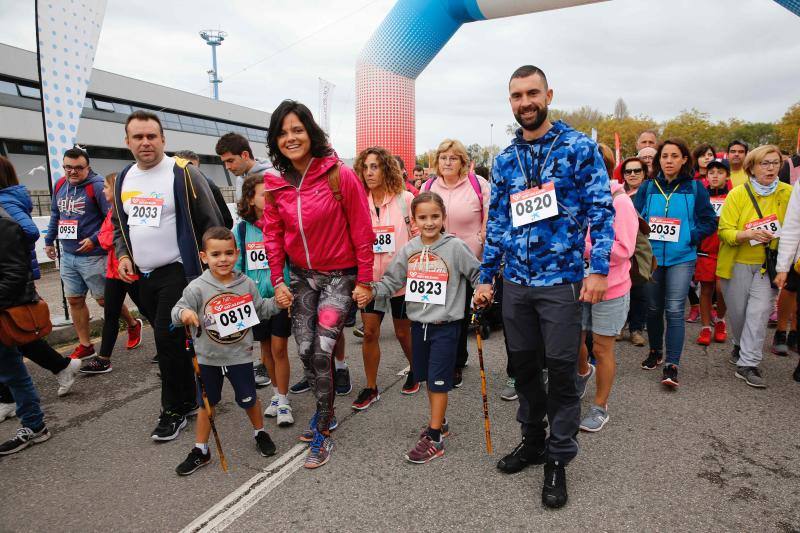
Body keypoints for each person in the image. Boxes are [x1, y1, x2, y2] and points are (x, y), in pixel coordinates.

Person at [474, 65, 615, 509]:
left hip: (562, 283)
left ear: (548, 94)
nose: (525, 102)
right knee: (524, 370)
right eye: (516, 96)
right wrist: (485, 278)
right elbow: (497, 221)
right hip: (516, 284)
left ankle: (558, 457)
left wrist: (597, 268)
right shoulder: (504, 159)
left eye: (532, 93)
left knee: (560, 372)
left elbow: (602, 211)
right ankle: (533, 441)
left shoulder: (578, 148)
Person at [263, 100, 373, 469]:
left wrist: (366, 280)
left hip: (340, 276)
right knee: (306, 351)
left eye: (297, 129)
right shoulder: (274, 182)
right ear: (275, 140)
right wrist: (278, 280)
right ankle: (324, 412)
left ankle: (323, 427)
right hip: (300, 278)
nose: (291, 138)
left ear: (311, 132)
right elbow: (273, 234)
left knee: (324, 351)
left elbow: (362, 230)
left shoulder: (337, 174)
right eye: (282, 132)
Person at [113, 110, 224, 441]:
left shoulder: (182, 173)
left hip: (178, 271)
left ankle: (172, 411)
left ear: (163, 139)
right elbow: (122, 223)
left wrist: (210, 268)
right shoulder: (123, 177)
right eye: (138, 137)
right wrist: (122, 254)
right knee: (173, 340)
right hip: (142, 277)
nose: (145, 142)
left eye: (151, 136)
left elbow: (212, 220)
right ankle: (190, 398)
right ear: (127, 142)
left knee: (165, 338)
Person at [356, 192, 480, 462]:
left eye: (435, 216)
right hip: (419, 326)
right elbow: (391, 282)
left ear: (444, 218)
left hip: (446, 326)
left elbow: (476, 272)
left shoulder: (455, 247)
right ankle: (440, 422)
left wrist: (483, 288)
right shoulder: (409, 249)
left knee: (438, 382)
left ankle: (435, 436)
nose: (429, 222)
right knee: (427, 379)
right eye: (423, 217)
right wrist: (371, 291)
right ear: (414, 220)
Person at [172, 227, 286, 475]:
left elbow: (261, 309)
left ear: (236, 254)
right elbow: (176, 311)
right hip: (207, 359)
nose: (222, 259)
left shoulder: (245, 283)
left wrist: (278, 302)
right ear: (204, 257)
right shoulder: (197, 288)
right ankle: (200, 449)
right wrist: (185, 313)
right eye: (215, 254)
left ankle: (260, 433)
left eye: (227, 253)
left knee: (249, 399)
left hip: (239, 357)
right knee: (206, 404)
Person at [633, 138, 717, 386]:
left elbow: (709, 221)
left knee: (674, 309)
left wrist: (690, 236)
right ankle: (656, 351)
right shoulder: (648, 188)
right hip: (653, 258)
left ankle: (672, 363)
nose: (668, 161)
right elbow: (635, 218)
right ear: (659, 160)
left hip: (682, 258)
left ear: (683, 160)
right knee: (653, 308)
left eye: (674, 156)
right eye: (664, 156)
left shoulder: (695, 188)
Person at [0, 157, 82, 397]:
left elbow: (29, 230)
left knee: (16, 332)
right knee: (15, 334)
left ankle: (13, 398)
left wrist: (11, 252)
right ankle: (61, 367)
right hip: (13, 273)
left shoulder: (5, 201)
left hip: (11, 276)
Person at [718, 145, 791, 388]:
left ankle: (748, 363)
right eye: (764, 163)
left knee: (758, 314)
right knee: (738, 314)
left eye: (774, 163)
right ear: (752, 167)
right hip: (736, 263)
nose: (770, 168)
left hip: (768, 265)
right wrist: (745, 234)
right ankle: (740, 346)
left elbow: (793, 230)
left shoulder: (789, 193)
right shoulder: (737, 194)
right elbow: (724, 231)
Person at [351, 147, 417, 411]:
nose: (369, 172)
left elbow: (419, 236)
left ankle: (415, 369)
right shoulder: (357, 202)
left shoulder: (406, 199)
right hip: (369, 280)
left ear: (386, 169)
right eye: (365, 167)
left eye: (375, 166)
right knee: (369, 332)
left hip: (400, 279)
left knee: (403, 332)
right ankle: (371, 387)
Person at [576, 158, 638, 432]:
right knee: (573, 341)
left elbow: (624, 249)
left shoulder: (620, 201)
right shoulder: (572, 196)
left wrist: (581, 246)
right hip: (575, 285)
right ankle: (582, 373)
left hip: (610, 288)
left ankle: (600, 406)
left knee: (602, 348)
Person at [423, 139, 490, 387]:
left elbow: (490, 214)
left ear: (462, 162)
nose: (447, 162)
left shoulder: (477, 184)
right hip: (438, 260)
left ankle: (457, 362)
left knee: (460, 313)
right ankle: (441, 357)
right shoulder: (429, 186)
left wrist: (483, 236)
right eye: (443, 158)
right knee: (440, 311)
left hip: (469, 259)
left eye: (453, 158)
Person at [235, 175, 293, 426]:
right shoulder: (242, 229)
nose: (268, 199)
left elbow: (292, 260)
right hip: (255, 300)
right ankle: (275, 395)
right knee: (265, 350)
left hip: (280, 297)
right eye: (262, 194)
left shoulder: (282, 224)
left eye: (272, 194)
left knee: (280, 349)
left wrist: (290, 290)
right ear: (250, 199)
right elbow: (238, 264)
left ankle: (283, 399)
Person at [44, 146, 110, 359]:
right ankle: (86, 345)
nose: (72, 172)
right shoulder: (60, 184)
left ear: (87, 167)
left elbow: (111, 219)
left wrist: (93, 239)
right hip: (68, 254)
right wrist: (49, 240)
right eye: (68, 167)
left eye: (78, 168)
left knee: (104, 300)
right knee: (74, 300)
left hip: (94, 255)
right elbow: (56, 213)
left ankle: (130, 323)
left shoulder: (97, 186)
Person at [80, 173, 145, 374]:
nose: (103, 190)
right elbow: (105, 237)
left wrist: (102, 238)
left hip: (131, 270)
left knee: (148, 310)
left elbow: (108, 240)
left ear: (117, 189)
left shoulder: (127, 211)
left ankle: (169, 349)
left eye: (107, 187)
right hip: (114, 271)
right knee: (110, 314)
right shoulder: (111, 212)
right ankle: (103, 359)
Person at [0, 207, 52, 455]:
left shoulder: (4, 224)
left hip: (5, 312)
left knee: (12, 371)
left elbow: (15, 274)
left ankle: (34, 425)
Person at [694, 159, 730, 346]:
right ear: (706, 176)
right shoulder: (701, 197)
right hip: (705, 250)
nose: (715, 175)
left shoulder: (733, 196)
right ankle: (706, 327)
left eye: (720, 172)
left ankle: (721, 321)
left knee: (721, 289)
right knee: (706, 290)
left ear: (727, 176)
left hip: (726, 250)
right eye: (711, 172)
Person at [620, 156, 648, 347]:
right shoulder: (617, 194)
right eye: (628, 171)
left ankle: (636, 329)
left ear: (644, 173)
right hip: (622, 246)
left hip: (641, 247)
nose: (632, 174)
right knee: (622, 289)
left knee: (640, 289)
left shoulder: (650, 191)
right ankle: (620, 326)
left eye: (637, 170)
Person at [174, 150, 233, 229]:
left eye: (194, 170)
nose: (191, 173)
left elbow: (226, 221)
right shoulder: (167, 186)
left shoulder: (210, 187)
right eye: (187, 169)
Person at [215, 133, 272, 201]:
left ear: (245, 155)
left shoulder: (272, 176)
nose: (227, 167)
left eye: (230, 160)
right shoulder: (239, 179)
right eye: (224, 162)